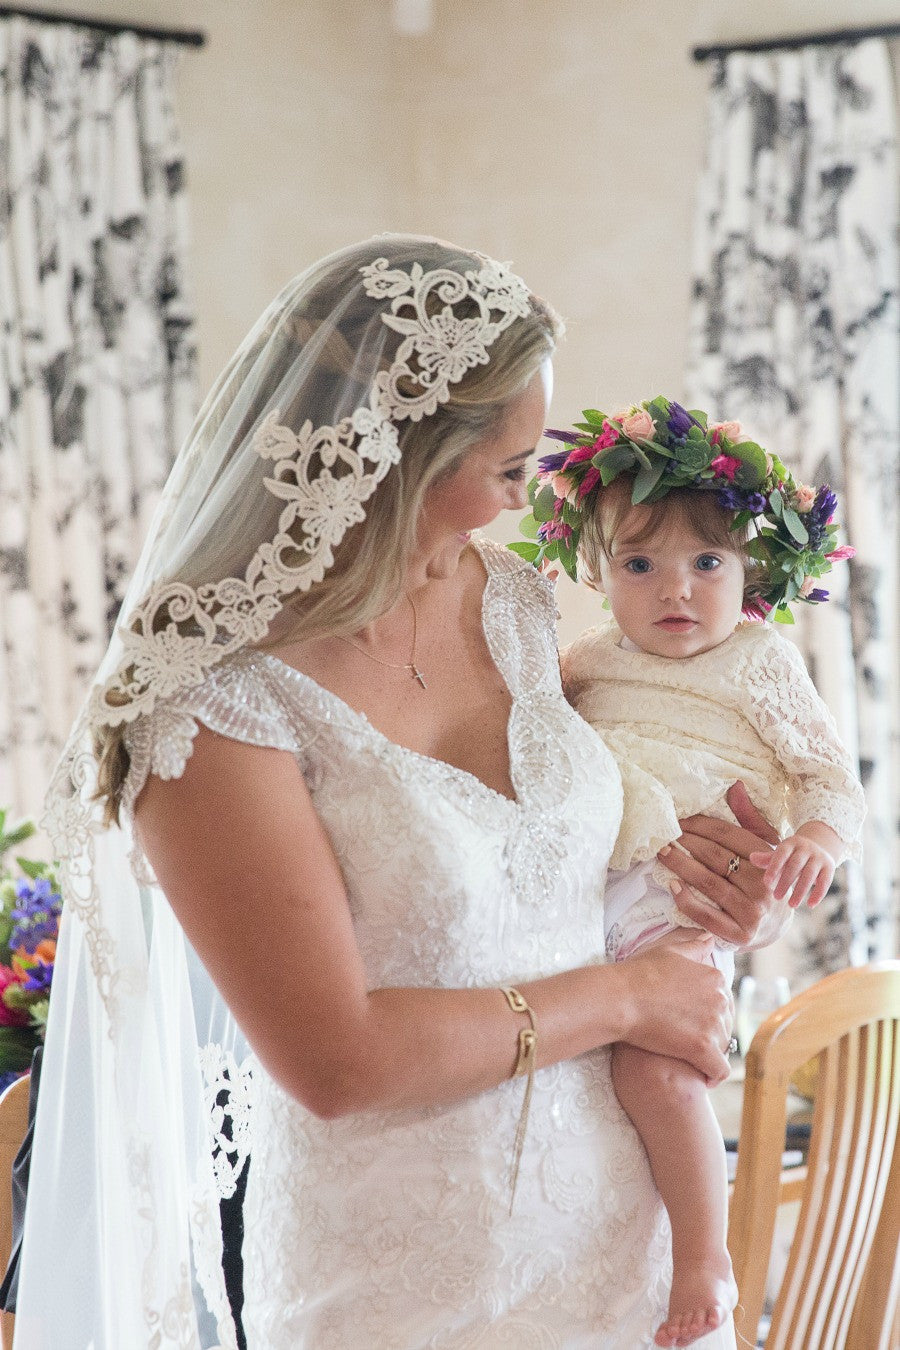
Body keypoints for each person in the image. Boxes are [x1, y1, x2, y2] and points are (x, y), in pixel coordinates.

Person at [16, 241, 789, 1349]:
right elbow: (336, 1059)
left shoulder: (514, 603)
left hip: (629, 1263)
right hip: (403, 1287)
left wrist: (710, 887)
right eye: (510, 470)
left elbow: (573, 866)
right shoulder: (209, 701)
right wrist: (623, 1002)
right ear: (394, 456)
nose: (524, 506)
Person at [518, 397, 864, 1348]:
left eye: (707, 563)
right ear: (598, 571)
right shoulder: (584, 664)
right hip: (582, 896)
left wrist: (817, 845)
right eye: (640, 564)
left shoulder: (758, 663)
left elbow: (832, 780)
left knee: (658, 1076)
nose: (678, 590)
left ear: (751, 569)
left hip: (678, 906)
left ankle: (703, 1257)